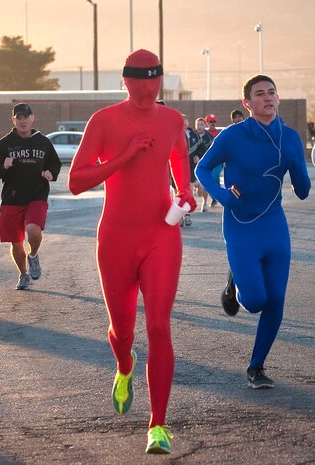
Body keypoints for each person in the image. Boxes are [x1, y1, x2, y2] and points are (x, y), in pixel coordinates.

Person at [67, 50, 195, 454]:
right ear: (125, 82)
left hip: (161, 234)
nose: (145, 89)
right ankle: (125, 366)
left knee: (159, 325)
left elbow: (177, 155)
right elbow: (75, 182)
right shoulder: (104, 121)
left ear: (160, 82)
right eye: (137, 81)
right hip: (117, 237)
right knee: (122, 332)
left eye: (153, 81)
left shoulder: (173, 120)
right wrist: (124, 156)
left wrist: (185, 190)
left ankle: (158, 424)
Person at [195, 74, 311, 388]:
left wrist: (297, 162)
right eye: (259, 94)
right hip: (240, 225)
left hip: (274, 225)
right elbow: (201, 168)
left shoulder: (289, 137)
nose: (267, 98)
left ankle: (256, 366)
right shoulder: (233, 136)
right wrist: (219, 195)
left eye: (272, 92)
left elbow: (303, 191)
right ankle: (234, 283)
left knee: (275, 300)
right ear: (247, 103)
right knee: (256, 300)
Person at [0, 103, 62, 290]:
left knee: (33, 230)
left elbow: (55, 163)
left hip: (37, 195)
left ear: (32, 118)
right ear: (13, 120)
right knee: (16, 244)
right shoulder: (5, 143)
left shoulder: (42, 141)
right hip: (12, 198)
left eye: (25, 117)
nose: (22, 121)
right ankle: (23, 274)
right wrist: (3, 167)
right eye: (18, 118)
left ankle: (34, 255)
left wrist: (51, 173)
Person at [190, 117, 214, 212]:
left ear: (205, 126)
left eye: (201, 124)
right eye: (198, 124)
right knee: (192, 184)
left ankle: (204, 202)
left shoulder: (209, 138)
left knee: (204, 184)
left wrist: (200, 157)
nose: (199, 126)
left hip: (205, 163)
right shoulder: (192, 135)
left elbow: (211, 152)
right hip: (191, 163)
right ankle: (190, 204)